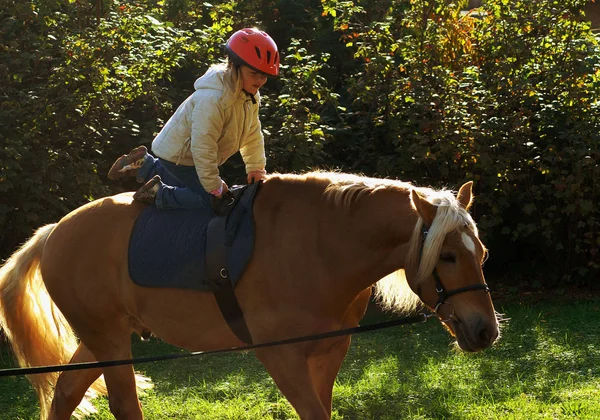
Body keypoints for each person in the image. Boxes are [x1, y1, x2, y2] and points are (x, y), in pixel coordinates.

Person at [107, 27, 279, 210]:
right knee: (212, 200)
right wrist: (215, 187)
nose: (260, 81)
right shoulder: (213, 100)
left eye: (264, 76)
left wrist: (255, 167)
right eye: (254, 74)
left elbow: (252, 133)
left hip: (187, 156)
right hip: (181, 157)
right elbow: (203, 147)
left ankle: (144, 164)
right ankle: (158, 194)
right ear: (234, 67)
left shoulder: (249, 97)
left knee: (195, 186)